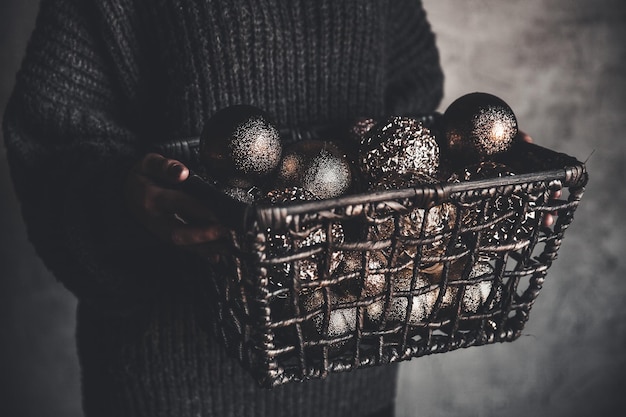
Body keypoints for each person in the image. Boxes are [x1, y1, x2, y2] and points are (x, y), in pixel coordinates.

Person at [3, 0, 445, 416]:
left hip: (354, 371)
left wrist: (477, 155)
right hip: (175, 384)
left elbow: (413, 111)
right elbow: (50, 144)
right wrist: (122, 199)